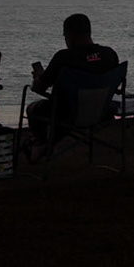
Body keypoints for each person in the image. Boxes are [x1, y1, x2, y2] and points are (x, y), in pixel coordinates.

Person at [21, 13, 119, 158]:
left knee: (34, 109)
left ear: (69, 36)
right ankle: (46, 144)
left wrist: (39, 77)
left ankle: (41, 144)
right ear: (89, 32)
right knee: (64, 107)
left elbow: (39, 88)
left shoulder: (64, 57)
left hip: (67, 115)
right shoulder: (109, 54)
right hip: (102, 112)